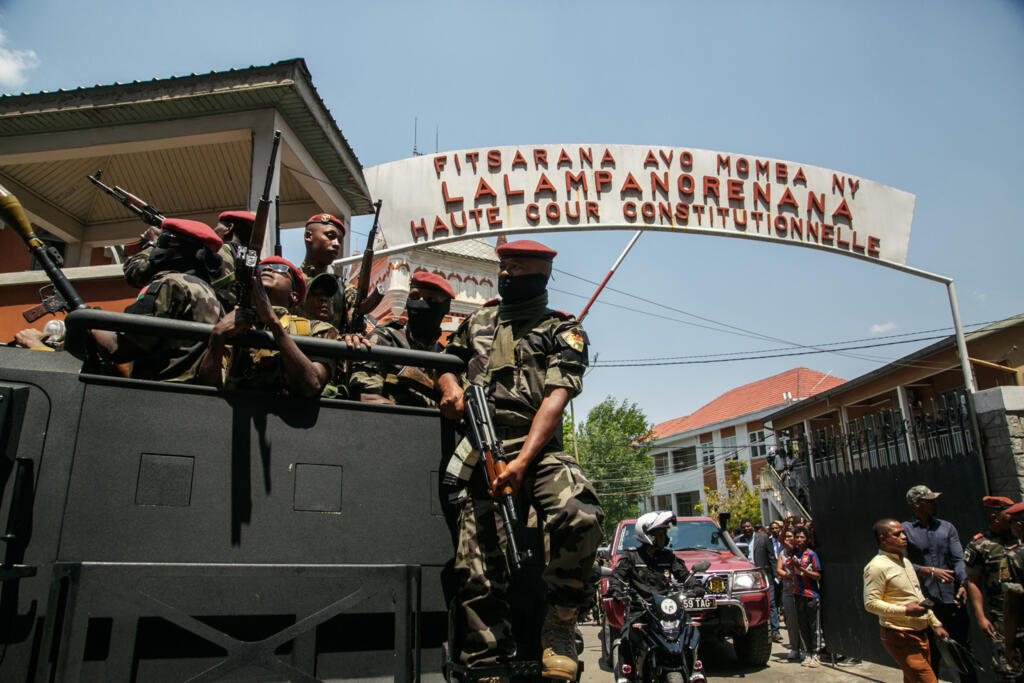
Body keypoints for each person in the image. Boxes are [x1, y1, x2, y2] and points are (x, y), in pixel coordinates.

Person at [437, 239, 603, 680]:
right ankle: (486, 662)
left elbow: (555, 398)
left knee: (581, 514)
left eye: (517, 267)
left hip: (537, 448)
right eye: (503, 266)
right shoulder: (477, 321)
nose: (506, 273)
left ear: (542, 273)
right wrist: (450, 387)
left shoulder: (562, 330)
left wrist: (522, 463)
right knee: (477, 566)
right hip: (480, 449)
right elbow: (445, 361)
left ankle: (561, 625)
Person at [92, 218, 224, 381]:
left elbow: (120, 347)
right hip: (194, 394)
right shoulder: (210, 294)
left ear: (181, 248)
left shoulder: (171, 284)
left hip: (157, 394)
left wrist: (90, 320)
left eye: (163, 241)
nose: (158, 247)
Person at [197, 256, 339, 397]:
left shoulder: (317, 329)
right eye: (259, 269)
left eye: (281, 269)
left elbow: (312, 385)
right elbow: (207, 391)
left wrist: (272, 321)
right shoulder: (231, 326)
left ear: (294, 295)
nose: (267, 268)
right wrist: (218, 334)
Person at [609, 511, 704, 683]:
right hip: (641, 610)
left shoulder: (668, 556)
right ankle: (626, 675)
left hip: (666, 610)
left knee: (691, 630)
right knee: (626, 636)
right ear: (649, 535)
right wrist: (616, 589)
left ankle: (695, 671)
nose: (665, 537)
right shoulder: (631, 557)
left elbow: (684, 575)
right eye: (661, 533)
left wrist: (695, 586)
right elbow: (617, 576)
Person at [348, 271, 454, 407]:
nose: (419, 303)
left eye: (430, 299)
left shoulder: (444, 356)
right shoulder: (385, 339)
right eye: (414, 297)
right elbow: (364, 396)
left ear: (444, 308)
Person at [902, 484, 973, 682]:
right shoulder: (905, 531)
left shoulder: (946, 527)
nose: (934, 504)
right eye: (929, 501)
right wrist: (928, 571)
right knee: (930, 656)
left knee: (962, 652)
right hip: (927, 603)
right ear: (917, 505)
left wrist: (962, 583)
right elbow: (903, 565)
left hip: (952, 600)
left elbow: (958, 559)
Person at [864, 518, 948, 683]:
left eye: (903, 532)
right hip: (899, 635)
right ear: (883, 538)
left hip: (921, 635)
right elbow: (871, 603)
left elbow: (918, 596)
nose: (904, 537)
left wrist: (935, 623)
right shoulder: (876, 567)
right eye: (897, 534)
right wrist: (905, 611)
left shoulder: (905, 562)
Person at [965, 495, 1015, 679]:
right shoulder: (980, 546)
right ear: (995, 516)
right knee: (1007, 666)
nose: (1014, 519)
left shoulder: (1019, 538)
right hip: (1002, 615)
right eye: (1008, 514)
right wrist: (980, 616)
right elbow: (973, 581)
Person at [296, 213, 360, 333]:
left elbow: (359, 313)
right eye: (330, 236)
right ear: (308, 236)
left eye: (339, 241)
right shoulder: (291, 280)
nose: (336, 244)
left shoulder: (343, 287)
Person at [737, 519, 780, 642]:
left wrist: (776, 574)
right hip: (746, 579)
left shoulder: (763, 538)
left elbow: (771, 556)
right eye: (744, 527)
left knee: (771, 603)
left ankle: (775, 631)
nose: (746, 529)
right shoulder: (737, 541)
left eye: (748, 526)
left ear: (752, 527)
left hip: (764, 576)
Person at [787, 526, 822, 666]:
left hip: (811, 595)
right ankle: (807, 652)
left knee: (814, 626)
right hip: (798, 594)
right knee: (802, 625)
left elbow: (818, 576)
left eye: (802, 537)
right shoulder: (794, 553)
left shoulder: (812, 554)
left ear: (807, 539)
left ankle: (816, 653)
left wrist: (801, 568)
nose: (799, 540)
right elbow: (783, 540)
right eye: (797, 537)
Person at [999, 501, 1024, 677]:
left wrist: (1009, 645)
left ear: (1020, 525)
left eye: (1012, 522)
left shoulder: (1014, 557)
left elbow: (1011, 605)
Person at [776, 529, 802, 661]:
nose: (788, 539)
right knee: (791, 621)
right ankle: (794, 648)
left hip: (801, 591)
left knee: (802, 620)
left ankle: (805, 648)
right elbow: (778, 569)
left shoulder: (798, 551)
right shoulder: (783, 553)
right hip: (787, 590)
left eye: (791, 536)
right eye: (786, 537)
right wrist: (787, 575)